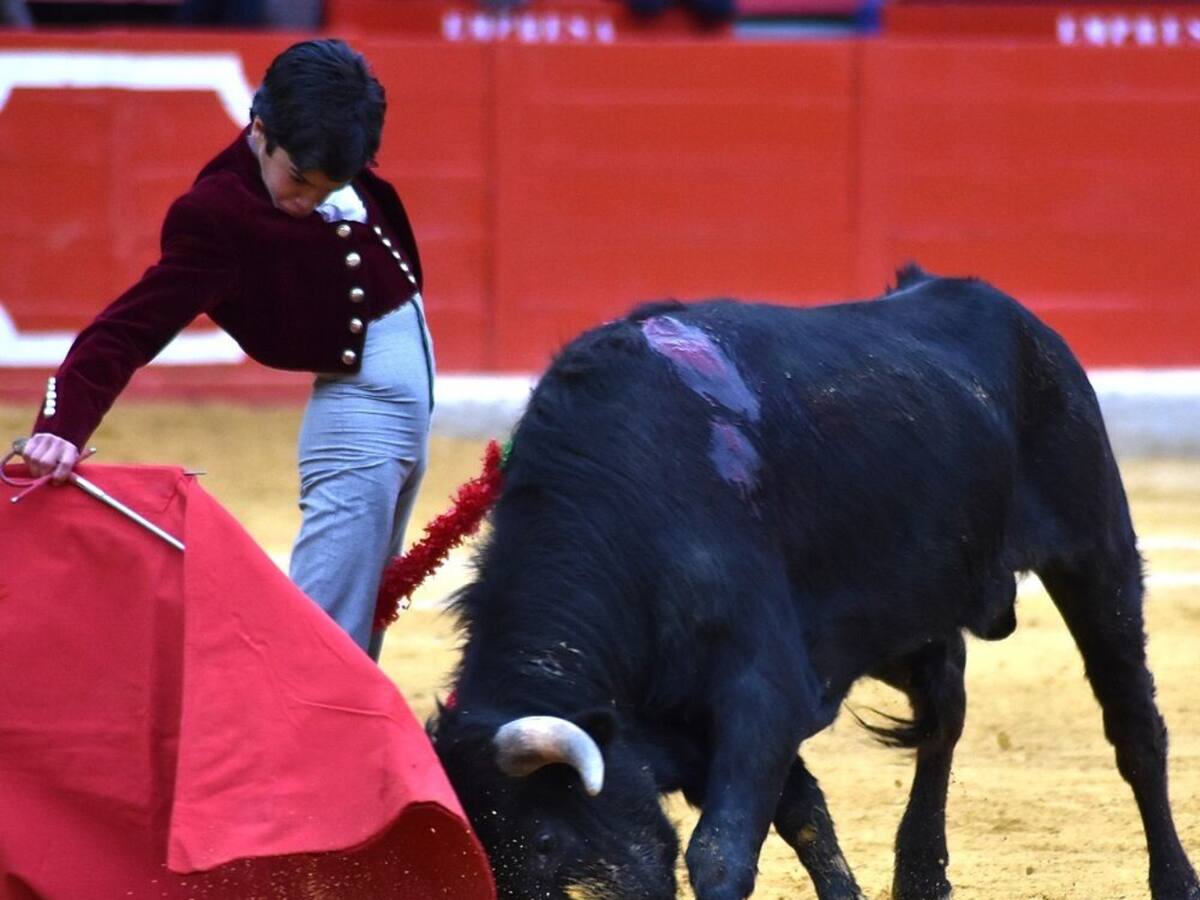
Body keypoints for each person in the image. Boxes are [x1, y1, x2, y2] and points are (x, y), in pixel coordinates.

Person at [22, 39, 434, 660]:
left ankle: (346, 751)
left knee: (365, 611)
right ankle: (297, 753)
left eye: (328, 189)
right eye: (298, 179)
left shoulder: (326, 129)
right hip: (359, 408)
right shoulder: (217, 215)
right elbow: (129, 327)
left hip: (404, 397)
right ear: (259, 130)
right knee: (323, 635)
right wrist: (63, 422)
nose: (305, 202)